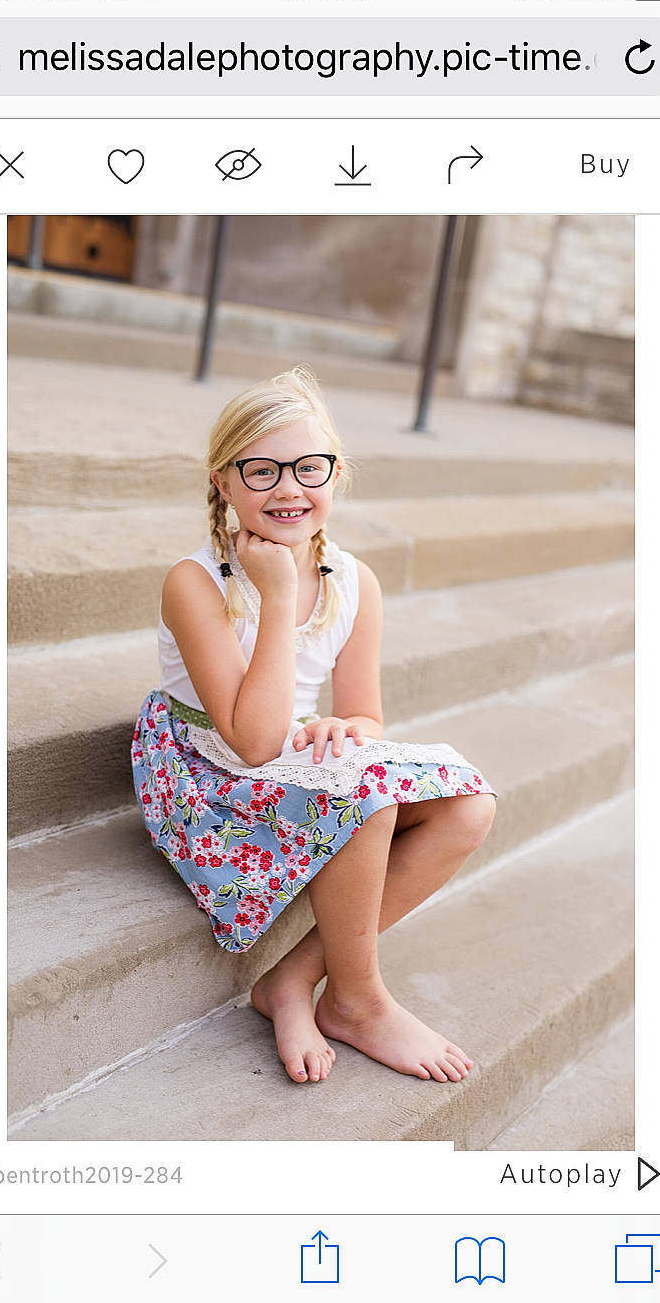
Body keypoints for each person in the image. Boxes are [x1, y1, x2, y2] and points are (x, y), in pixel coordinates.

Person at [131, 367, 497, 1087]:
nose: (288, 489)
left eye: (309, 468)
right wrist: (276, 595)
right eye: (261, 471)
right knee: (363, 798)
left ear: (336, 474)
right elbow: (252, 740)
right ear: (223, 484)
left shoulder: (355, 580)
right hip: (207, 772)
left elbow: (365, 713)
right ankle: (359, 1000)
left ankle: (295, 981)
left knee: (469, 807)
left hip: (286, 749)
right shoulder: (196, 582)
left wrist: (342, 725)